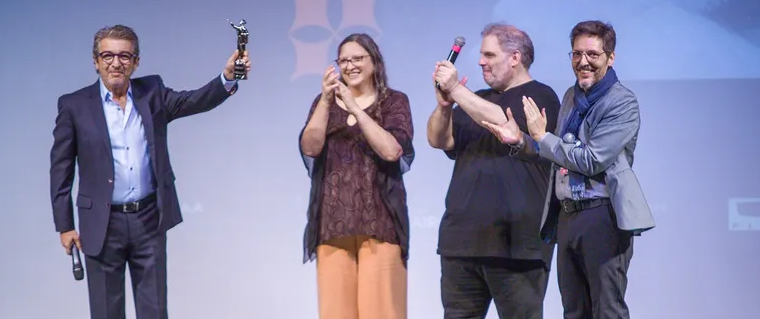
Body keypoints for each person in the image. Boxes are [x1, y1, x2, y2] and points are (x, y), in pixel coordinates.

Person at [49, 24, 250, 319]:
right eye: (107, 55)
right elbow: (61, 170)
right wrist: (65, 226)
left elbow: (193, 100)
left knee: (155, 312)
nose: (116, 63)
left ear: (136, 62)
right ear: (95, 61)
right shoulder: (74, 106)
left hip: (148, 220)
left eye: (124, 56)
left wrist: (227, 78)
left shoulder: (152, 92)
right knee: (106, 312)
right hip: (101, 224)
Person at [481, 20, 656, 319]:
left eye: (592, 54)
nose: (583, 62)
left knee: (607, 310)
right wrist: (521, 140)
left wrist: (540, 136)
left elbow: (591, 160)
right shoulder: (570, 97)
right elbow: (556, 153)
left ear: (610, 57)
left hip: (603, 214)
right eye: (576, 54)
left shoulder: (622, 101)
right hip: (568, 215)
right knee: (573, 311)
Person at [427, 23, 561, 319]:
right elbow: (439, 140)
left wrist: (456, 89)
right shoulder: (477, 98)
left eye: (489, 55)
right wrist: (445, 106)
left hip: (517, 245)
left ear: (515, 57)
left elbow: (504, 123)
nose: (480, 61)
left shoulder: (541, 96)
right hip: (461, 243)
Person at [298, 33, 414, 319]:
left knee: (382, 311)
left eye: (357, 58)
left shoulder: (393, 102)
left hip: (381, 224)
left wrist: (355, 108)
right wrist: (326, 102)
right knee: (335, 313)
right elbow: (310, 147)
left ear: (374, 62)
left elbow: (392, 151)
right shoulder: (323, 103)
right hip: (332, 224)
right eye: (343, 61)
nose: (349, 66)